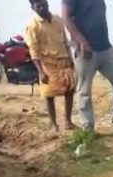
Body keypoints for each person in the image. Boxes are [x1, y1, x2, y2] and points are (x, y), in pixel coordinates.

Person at [62, 0, 113, 133]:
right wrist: (82, 42)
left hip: (104, 47)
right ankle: (88, 129)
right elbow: (66, 17)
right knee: (84, 90)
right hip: (85, 49)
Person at [26, 0, 76, 133]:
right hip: (47, 64)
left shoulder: (58, 20)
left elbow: (65, 40)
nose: (42, 7)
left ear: (47, 3)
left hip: (64, 61)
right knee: (49, 95)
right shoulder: (32, 26)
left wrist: (71, 60)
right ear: (33, 8)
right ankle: (54, 124)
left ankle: (68, 121)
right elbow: (33, 49)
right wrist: (40, 72)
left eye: (44, 4)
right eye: (38, 6)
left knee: (70, 91)